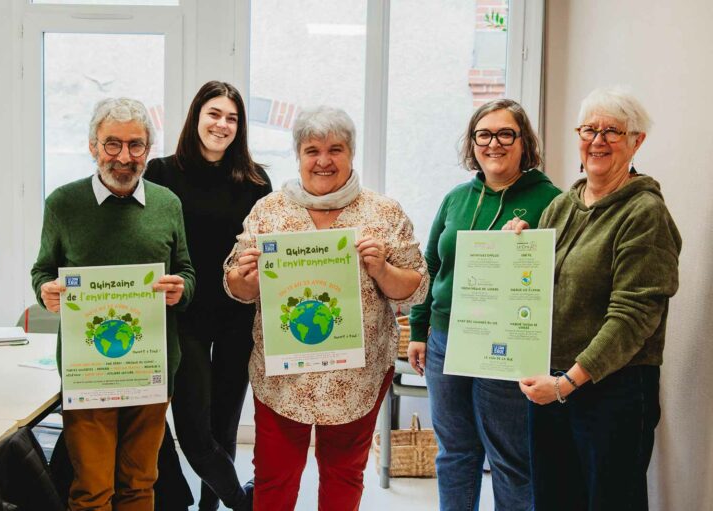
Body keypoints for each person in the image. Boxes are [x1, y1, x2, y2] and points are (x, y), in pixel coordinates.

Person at [224, 105, 428, 510]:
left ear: (351, 154)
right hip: (283, 379)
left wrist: (383, 269)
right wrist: (246, 279)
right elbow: (235, 285)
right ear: (298, 155)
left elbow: (417, 288)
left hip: (355, 379)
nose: (323, 160)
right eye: (311, 150)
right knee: (274, 479)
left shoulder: (382, 213)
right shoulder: (270, 212)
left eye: (335, 149)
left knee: (344, 477)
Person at [506, 87, 681, 510]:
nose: (598, 140)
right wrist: (518, 251)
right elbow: (539, 287)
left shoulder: (644, 213)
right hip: (551, 383)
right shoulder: (562, 206)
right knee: (553, 499)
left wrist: (567, 383)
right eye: (589, 129)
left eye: (613, 131)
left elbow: (633, 316)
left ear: (637, 141)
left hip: (612, 390)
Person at [31, 97, 196, 511]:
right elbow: (42, 271)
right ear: (92, 146)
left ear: (148, 149)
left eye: (136, 145)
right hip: (88, 370)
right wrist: (46, 291)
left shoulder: (167, 204)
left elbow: (187, 272)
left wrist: (182, 289)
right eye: (112, 144)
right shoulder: (63, 204)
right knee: (91, 490)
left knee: (141, 483)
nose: (124, 157)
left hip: (151, 367)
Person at [407, 99, 561, 511]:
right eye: (484, 134)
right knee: (454, 451)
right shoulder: (457, 198)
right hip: (446, 339)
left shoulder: (551, 201)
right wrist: (420, 332)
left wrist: (531, 242)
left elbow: (562, 271)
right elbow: (430, 264)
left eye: (505, 134)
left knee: (510, 458)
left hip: (506, 342)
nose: (494, 143)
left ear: (523, 141)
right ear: (473, 143)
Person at [144, 81, 271, 511]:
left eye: (232, 118)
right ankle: (241, 501)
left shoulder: (255, 181)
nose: (222, 124)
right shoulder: (160, 173)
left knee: (224, 428)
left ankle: (211, 506)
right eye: (214, 114)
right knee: (195, 430)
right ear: (196, 116)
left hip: (238, 315)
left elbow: (266, 248)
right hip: (184, 315)